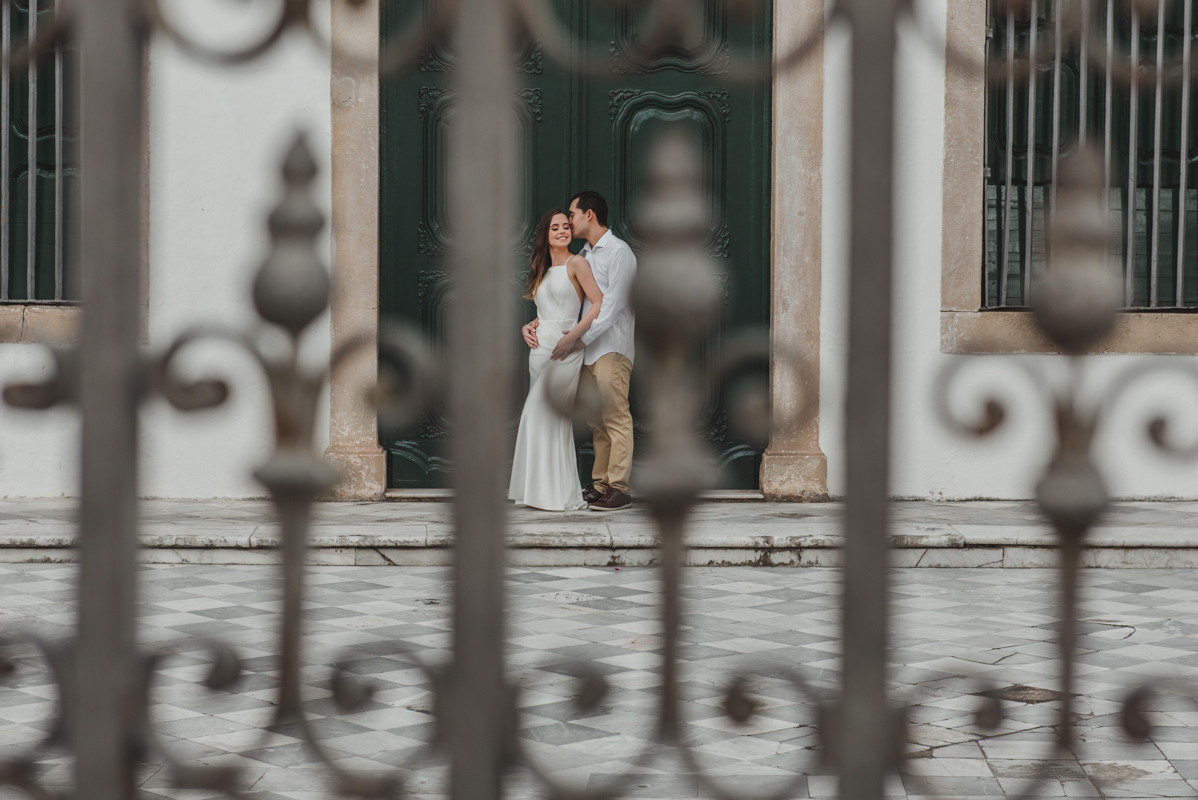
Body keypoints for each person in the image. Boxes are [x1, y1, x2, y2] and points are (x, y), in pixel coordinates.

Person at [524, 191, 636, 512]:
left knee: (615, 416)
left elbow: (612, 306)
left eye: (571, 215)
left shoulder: (619, 253)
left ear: (588, 214)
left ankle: (620, 487)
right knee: (596, 421)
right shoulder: (583, 257)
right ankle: (601, 483)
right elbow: (573, 304)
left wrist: (578, 338)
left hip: (610, 348)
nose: (568, 222)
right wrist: (537, 323)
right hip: (583, 353)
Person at [509, 209, 605, 512]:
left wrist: (573, 336)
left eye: (566, 226)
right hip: (539, 351)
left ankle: (554, 494)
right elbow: (542, 311)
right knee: (541, 417)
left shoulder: (577, 263)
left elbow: (598, 303)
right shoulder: (540, 268)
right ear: (545, 234)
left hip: (566, 349)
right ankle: (538, 493)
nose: (563, 231)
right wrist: (526, 326)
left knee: (545, 414)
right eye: (556, 227)